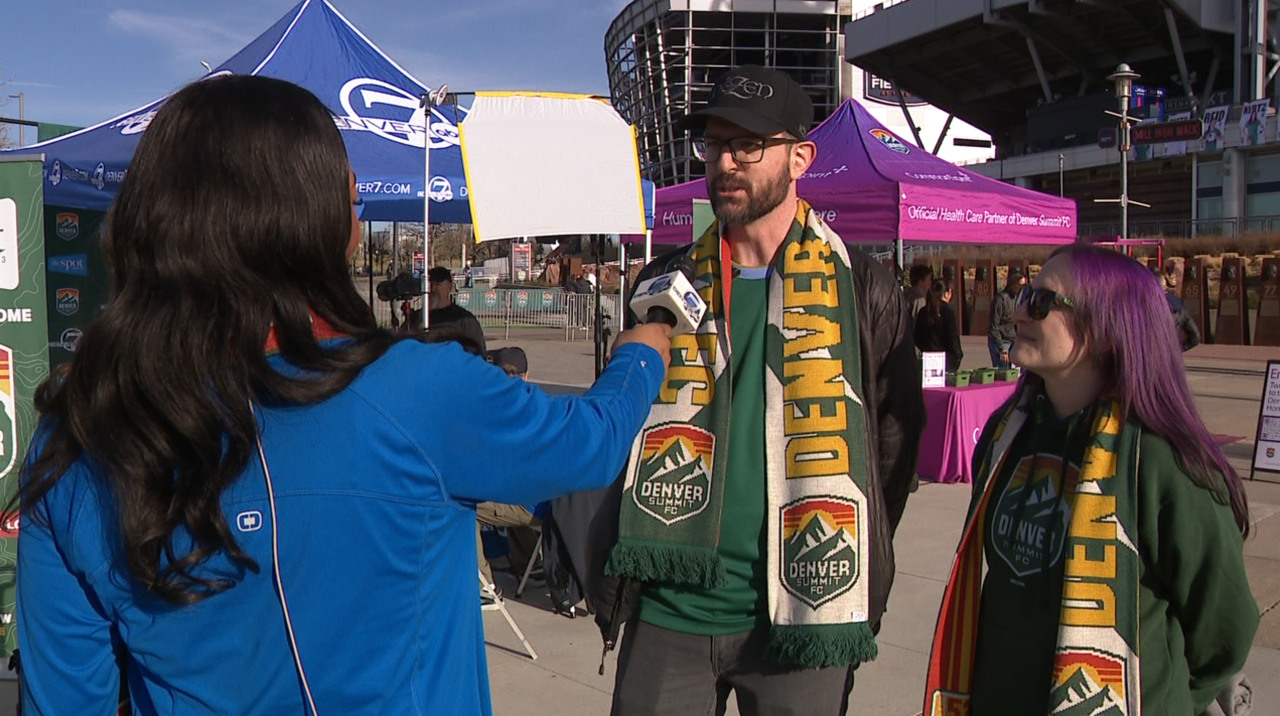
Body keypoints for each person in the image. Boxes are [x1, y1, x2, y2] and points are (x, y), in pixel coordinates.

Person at [12, 75, 672, 716]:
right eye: (347, 196)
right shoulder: (419, 388)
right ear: (316, 224)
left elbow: (65, 697)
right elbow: (589, 444)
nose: (356, 212)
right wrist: (641, 354)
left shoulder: (77, 433)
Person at [590, 64, 926, 716]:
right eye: (715, 145)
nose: (726, 162)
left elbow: (892, 441)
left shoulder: (863, 286)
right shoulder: (663, 283)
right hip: (670, 603)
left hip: (802, 611)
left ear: (799, 157)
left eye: (748, 145)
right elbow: (620, 416)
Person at [924, 245, 1257, 715]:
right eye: (1024, 296)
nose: (1019, 311)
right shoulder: (1007, 435)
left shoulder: (1164, 461)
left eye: (1041, 302)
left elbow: (1223, 628)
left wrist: (1168, 700)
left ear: (1104, 332)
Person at [914, 278, 963, 372]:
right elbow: (953, 340)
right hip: (945, 363)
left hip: (926, 362)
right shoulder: (948, 312)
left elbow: (917, 338)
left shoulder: (923, 312)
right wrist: (956, 358)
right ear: (946, 293)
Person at [988, 266, 1025, 368]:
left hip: (1014, 341)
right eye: (1020, 286)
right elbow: (993, 327)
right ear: (1012, 284)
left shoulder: (1019, 299)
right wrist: (1001, 348)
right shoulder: (1000, 300)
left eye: (1024, 286)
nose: (1022, 289)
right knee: (1004, 374)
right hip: (1001, 342)